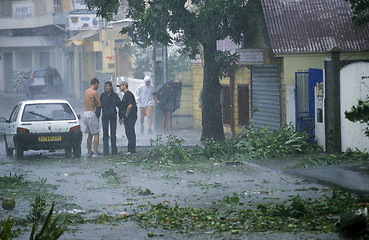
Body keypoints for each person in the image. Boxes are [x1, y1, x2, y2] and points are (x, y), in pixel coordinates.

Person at [95, 81, 121, 156]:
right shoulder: (102, 96)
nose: (107, 88)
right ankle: (105, 151)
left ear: (111, 87)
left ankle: (114, 151)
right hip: (105, 116)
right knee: (105, 133)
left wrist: (121, 116)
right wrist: (97, 115)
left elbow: (120, 106)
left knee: (113, 133)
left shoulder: (115, 96)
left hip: (113, 116)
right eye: (105, 86)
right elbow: (99, 106)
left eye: (108, 86)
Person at [117, 80, 138, 154]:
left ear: (124, 85)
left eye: (120, 86)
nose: (119, 87)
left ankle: (131, 150)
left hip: (131, 116)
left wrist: (126, 115)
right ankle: (130, 149)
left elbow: (130, 105)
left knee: (130, 132)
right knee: (128, 132)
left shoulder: (128, 94)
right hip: (129, 116)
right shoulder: (125, 95)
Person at [83, 78, 102, 157]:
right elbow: (99, 103)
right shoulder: (94, 92)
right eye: (98, 85)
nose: (98, 86)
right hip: (91, 114)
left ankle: (89, 151)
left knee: (90, 134)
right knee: (96, 133)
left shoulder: (86, 91)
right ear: (96, 83)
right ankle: (95, 152)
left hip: (85, 113)